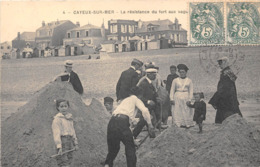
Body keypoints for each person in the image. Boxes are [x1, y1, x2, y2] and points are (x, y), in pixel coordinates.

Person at [104, 86, 155, 167]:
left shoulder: (124, 101)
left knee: (114, 148)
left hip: (112, 122)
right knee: (130, 148)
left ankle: (107, 164)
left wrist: (132, 140)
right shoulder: (135, 99)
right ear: (140, 95)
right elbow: (145, 111)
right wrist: (150, 125)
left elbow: (127, 126)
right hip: (122, 122)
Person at [209, 57, 242, 124]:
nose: (219, 65)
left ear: (224, 62)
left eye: (220, 63)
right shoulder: (228, 71)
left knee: (225, 113)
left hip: (226, 97)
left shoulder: (225, 72)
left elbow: (224, 86)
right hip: (230, 96)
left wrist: (217, 96)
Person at [133, 64, 160, 138]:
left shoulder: (149, 82)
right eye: (154, 75)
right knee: (143, 121)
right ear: (149, 75)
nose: (155, 76)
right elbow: (139, 96)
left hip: (150, 106)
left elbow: (153, 92)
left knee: (147, 120)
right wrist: (148, 101)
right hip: (145, 106)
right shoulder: (143, 83)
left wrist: (156, 97)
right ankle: (133, 135)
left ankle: (151, 134)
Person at [52, 99, 79, 167]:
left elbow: (72, 131)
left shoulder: (69, 118)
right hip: (62, 141)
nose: (64, 108)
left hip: (69, 141)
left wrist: (75, 143)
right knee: (62, 160)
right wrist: (59, 147)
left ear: (68, 107)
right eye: (61, 106)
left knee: (70, 158)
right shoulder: (57, 119)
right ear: (58, 108)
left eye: (65, 106)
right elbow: (56, 133)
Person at [170, 64, 194, 128]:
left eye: (183, 72)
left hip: (186, 96)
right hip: (177, 96)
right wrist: (171, 99)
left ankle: (186, 124)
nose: (182, 73)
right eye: (180, 72)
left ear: (186, 72)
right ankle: (178, 124)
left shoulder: (189, 80)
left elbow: (191, 91)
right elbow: (172, 90)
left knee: (186, 110)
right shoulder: (175, 80)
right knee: (177, 110)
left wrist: (189, 99)